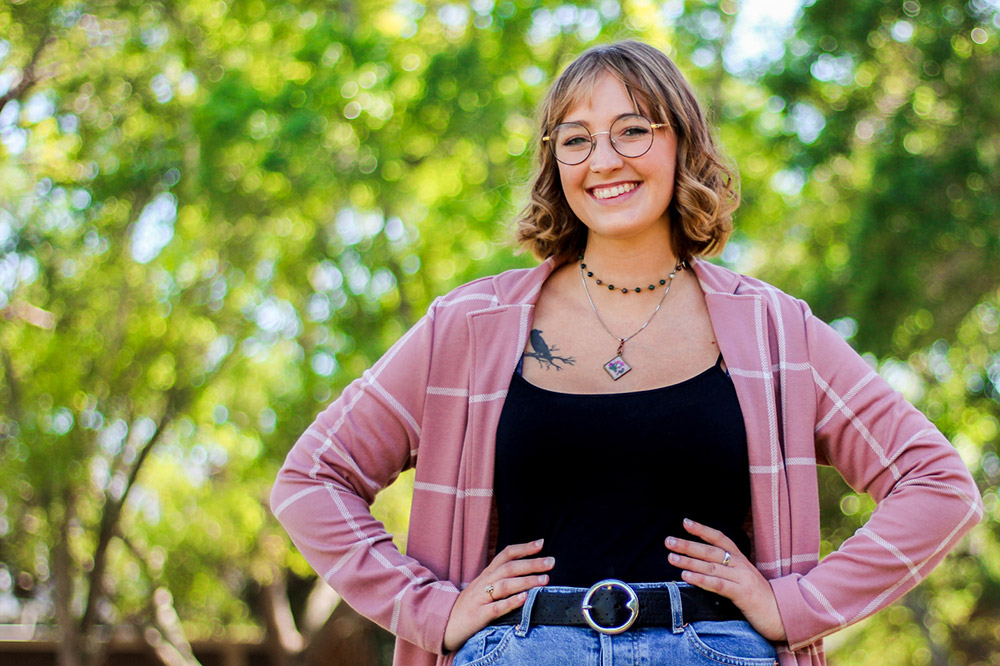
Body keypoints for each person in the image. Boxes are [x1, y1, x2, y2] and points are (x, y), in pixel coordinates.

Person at [270, 40, 981, 666]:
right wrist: (431, 611)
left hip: (714, 653)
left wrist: (796, 606)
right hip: (520, 653)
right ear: (554, 161)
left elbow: (938, 487)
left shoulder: (775, 332)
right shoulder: (468, 327)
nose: (603, 160)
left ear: (683, 144)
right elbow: (310, 480)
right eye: (574, 139)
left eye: (632, 130)